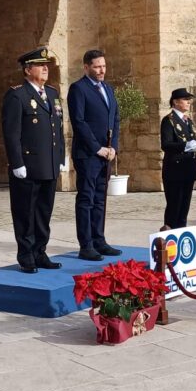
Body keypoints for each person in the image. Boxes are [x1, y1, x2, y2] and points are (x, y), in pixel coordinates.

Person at [2, 47, 66, 273]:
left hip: (48, 165)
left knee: (43, 212)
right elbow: (11, 133)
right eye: (40, 65)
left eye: (46, 65)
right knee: (26, 213)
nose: (46, 68)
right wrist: (16, 162)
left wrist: (60, 156)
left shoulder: (51, 93)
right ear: (28, 70)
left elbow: (58, 126)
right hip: (28, 167)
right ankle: (26, 255)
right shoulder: (17, 95)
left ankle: (40, 251)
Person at [67, 49, 121, 261]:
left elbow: (114, 118)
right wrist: (97, 148)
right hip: (88, 154)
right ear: (86, 67)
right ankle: (86, 244)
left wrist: (113, 146)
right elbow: (78, 122)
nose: (102, 71)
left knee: (100, 199)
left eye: (104, 66)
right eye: (97, 67)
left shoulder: (108, 88)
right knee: (87, 198)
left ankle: (99, 239)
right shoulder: (78, 89)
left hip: (106, 153)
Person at [160, 88, 196, 229]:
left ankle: (181, 238)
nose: (189, 103)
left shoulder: (188, 121)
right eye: (185, 100)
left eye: (189, 100)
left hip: (188, 169)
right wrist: (186, 145)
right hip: (175, 170)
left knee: (184, 209)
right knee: (174, 207)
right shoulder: (169, 121)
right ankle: (169, 239)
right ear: (175, 102)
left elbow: (194, 140)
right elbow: (166, 144)